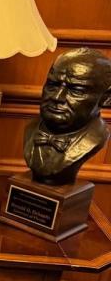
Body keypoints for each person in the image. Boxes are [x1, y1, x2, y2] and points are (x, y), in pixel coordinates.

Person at [24, 48, 111, 186]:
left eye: (76, 90)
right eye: (52, 85)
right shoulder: (31, 128)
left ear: (106, 98)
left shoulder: (96, 138)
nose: (57, 97)